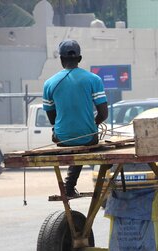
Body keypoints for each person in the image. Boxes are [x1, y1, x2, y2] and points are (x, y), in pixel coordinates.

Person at [43, 39, 108, 197]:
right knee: (83, 141)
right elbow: (103, 114)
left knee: (73, 141)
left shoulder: (49, 83)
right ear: (79, 58)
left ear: (61, 60)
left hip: (61, 138)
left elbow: (52, 118)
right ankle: (70, 185)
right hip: (88, 137)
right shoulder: (94, 79)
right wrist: (93, 125)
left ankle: (69, 186)